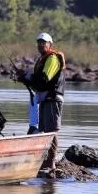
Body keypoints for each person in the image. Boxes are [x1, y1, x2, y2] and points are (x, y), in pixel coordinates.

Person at [15, 32, 65, 170]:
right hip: (45, 99)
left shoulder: (52, 58)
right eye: (39, 43)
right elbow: (38, 83)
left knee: (51, 131)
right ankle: (45, 160)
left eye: (44, 43)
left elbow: (43, 80)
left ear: (50, 45)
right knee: (43, 130)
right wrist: (24, 78)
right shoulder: (42, 59)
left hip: (52, 98)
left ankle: (50, 162)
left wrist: (26, 77)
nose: (41, 45)